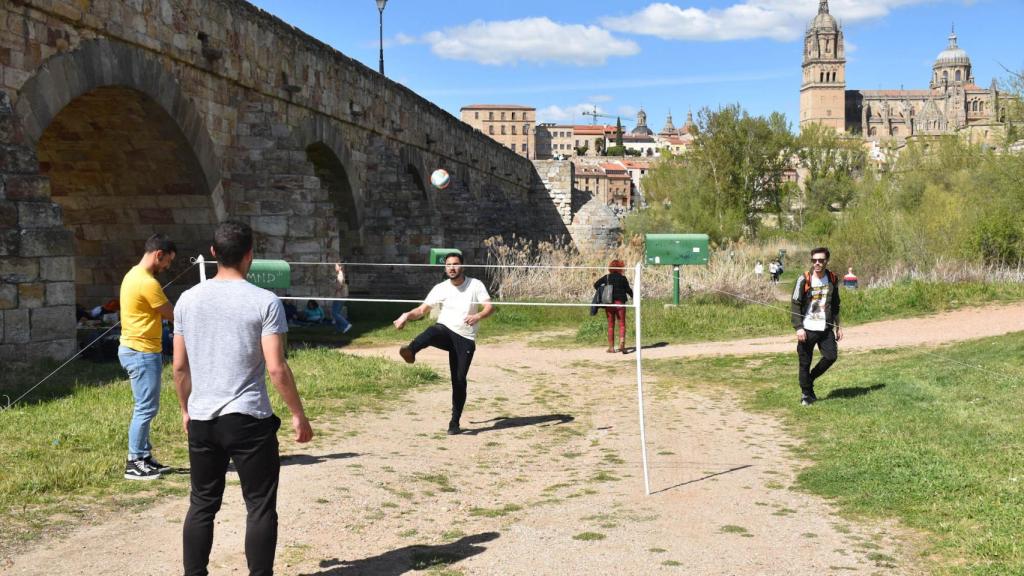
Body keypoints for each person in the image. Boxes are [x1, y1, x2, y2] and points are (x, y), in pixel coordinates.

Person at [173, 220, 313, 576]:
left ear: (214, 252)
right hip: (248, 418)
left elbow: (178, 366)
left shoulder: (187, 300)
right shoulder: (265, 301)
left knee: (202, 504)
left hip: (203, 417)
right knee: (260, 507)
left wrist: (185, 410)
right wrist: (298, 414)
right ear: (250, 255)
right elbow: (277, 368)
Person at [393, 252, 494, 435]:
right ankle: (411, 350)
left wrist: (478, 315)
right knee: (434, 330)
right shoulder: (441, 288)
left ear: (462, 266)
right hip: (446, 331)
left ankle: (454, 422)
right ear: (445, 267)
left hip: (465, 338)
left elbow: (489, 306)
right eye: (448, 265)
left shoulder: (475, 284)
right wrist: (406, 315)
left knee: (459, 380)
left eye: (455, 264)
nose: (452, 268)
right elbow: (422, 310)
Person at [119, 233, 176, 480]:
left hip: (136, 350)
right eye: (167, 262)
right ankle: (134, 461)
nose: (167, 267)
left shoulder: (133, 274)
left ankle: (143, 456)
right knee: (145, 408)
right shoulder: (147, 282)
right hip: (142, 352)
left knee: (146, 406)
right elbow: (171, 313)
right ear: (158, 255)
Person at [790, 247, 843, 406]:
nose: (817, 263)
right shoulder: (803, 279)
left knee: (831, 356)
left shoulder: (833, 278)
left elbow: (835, 304)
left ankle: (809, 379)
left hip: (825, 327)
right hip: (807, 328)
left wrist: (838, 326)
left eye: (820, 260)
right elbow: (795, 303)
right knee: (804, 362)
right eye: (814, 260)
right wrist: (798, 327)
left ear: (827, 261)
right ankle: (806, 395)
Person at [593, 260, 633, 353]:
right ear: (621, 268)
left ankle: (611, 348)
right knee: (622, 324)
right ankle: (622, 343)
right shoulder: (623, 278)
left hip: (609, 303)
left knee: (611, 325)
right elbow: (628, 290)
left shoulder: (606, 277)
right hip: (620, 302)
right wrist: (633, 296)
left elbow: (596, 285)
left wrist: (603, 289)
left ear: (610, 268)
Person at [331, 263, 353, 334]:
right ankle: (339, 329)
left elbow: (339, 286)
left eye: (336, 266)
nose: (335, 267)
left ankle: (346, 324)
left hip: (339, 296)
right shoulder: (341, 274)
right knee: (336, 313)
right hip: (341, 296)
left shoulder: (340, 274)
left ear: (340, 267)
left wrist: (332, 284)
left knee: (334, 313)